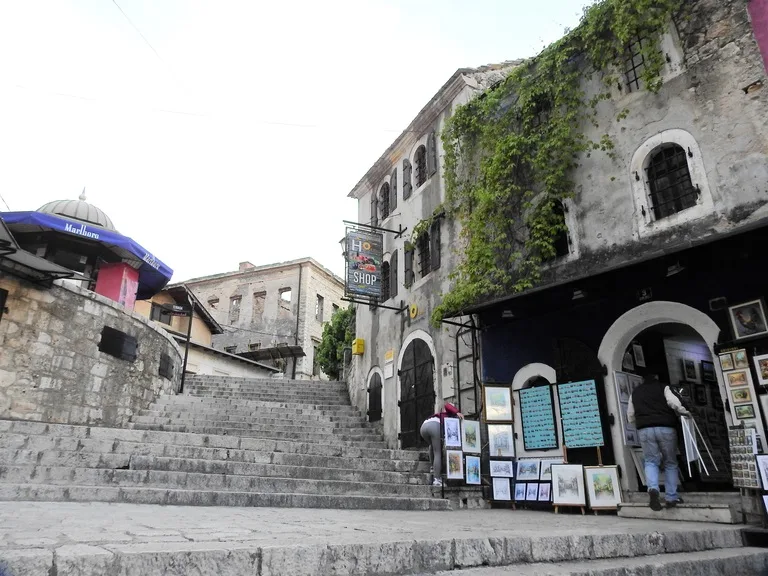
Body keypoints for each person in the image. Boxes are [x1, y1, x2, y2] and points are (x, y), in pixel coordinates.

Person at [627, 374, 691, 511]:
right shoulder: (664, 387)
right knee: (670, 462)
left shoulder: (635, 392)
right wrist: (686, 412)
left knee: (650, 461)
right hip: (666, 428)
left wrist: (638, 424)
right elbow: (674, 403)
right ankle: (671, 497)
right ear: (656, 377)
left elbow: (630, 414)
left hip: (645, 430)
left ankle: (653, 489)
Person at [420, 402, 463, 486]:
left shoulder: (439, 415)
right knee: (438, 452)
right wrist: (457, 412)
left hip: (423, 427)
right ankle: (437, 479)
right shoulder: (449, 414)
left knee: (432, 445)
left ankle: (433, 467)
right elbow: (447, 404)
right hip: (434, 426)